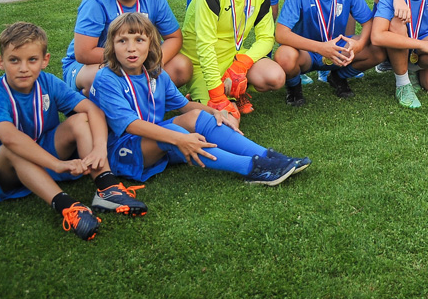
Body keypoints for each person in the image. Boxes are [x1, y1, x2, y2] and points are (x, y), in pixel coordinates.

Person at [0, 22, 145, 241]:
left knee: (80, 119)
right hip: (2, 169)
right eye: (14, 60)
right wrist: (57, 165)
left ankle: (106, 187)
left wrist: (100, 148)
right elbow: (10, 138)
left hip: (41, 151)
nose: (23, 68)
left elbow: (92, 110)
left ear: (45, 60)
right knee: (13, 148)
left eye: (32, 60)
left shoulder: (48, 82)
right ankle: (68, 206)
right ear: (0, 61)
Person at [91, 13, 306, 187]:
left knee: (197, 115)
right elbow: (131, 125)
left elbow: (184, 105)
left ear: (150, 44)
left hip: (157, 139)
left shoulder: (155, 73)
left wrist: (215, 112)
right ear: (111, 46)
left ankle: (267, 156)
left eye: (139, 40)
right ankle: (252, 168)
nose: (131, 48)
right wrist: (179, 138)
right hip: (124, 152)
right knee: (174, 131)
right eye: (122, 41)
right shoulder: (106, 78)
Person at [62, 0, 189, 92]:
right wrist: (129, 61)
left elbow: (174, 37)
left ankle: (141, 96)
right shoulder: (95, 2)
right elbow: (83, 53)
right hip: (96, 64)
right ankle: (100, 98)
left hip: (142, 60)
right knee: (100, 77)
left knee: (182, 66)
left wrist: (155, 61)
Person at [183, 0, 285, 119]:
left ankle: (235, 91)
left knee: (275, 76)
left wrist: (241, 64)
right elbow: (205, 47)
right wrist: (216, 94)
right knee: (229, 120)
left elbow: (266, 38)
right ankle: (191, 99)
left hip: (233, 57)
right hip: (202, 64)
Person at [274, 0, 385, 107]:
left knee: (379, 49)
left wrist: (360, 44)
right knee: (284, 56)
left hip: (338, 49)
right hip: (307, 53)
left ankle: (338, 77)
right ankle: (294, 88)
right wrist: (320, 48)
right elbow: (281, 34)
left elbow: (369, 22)